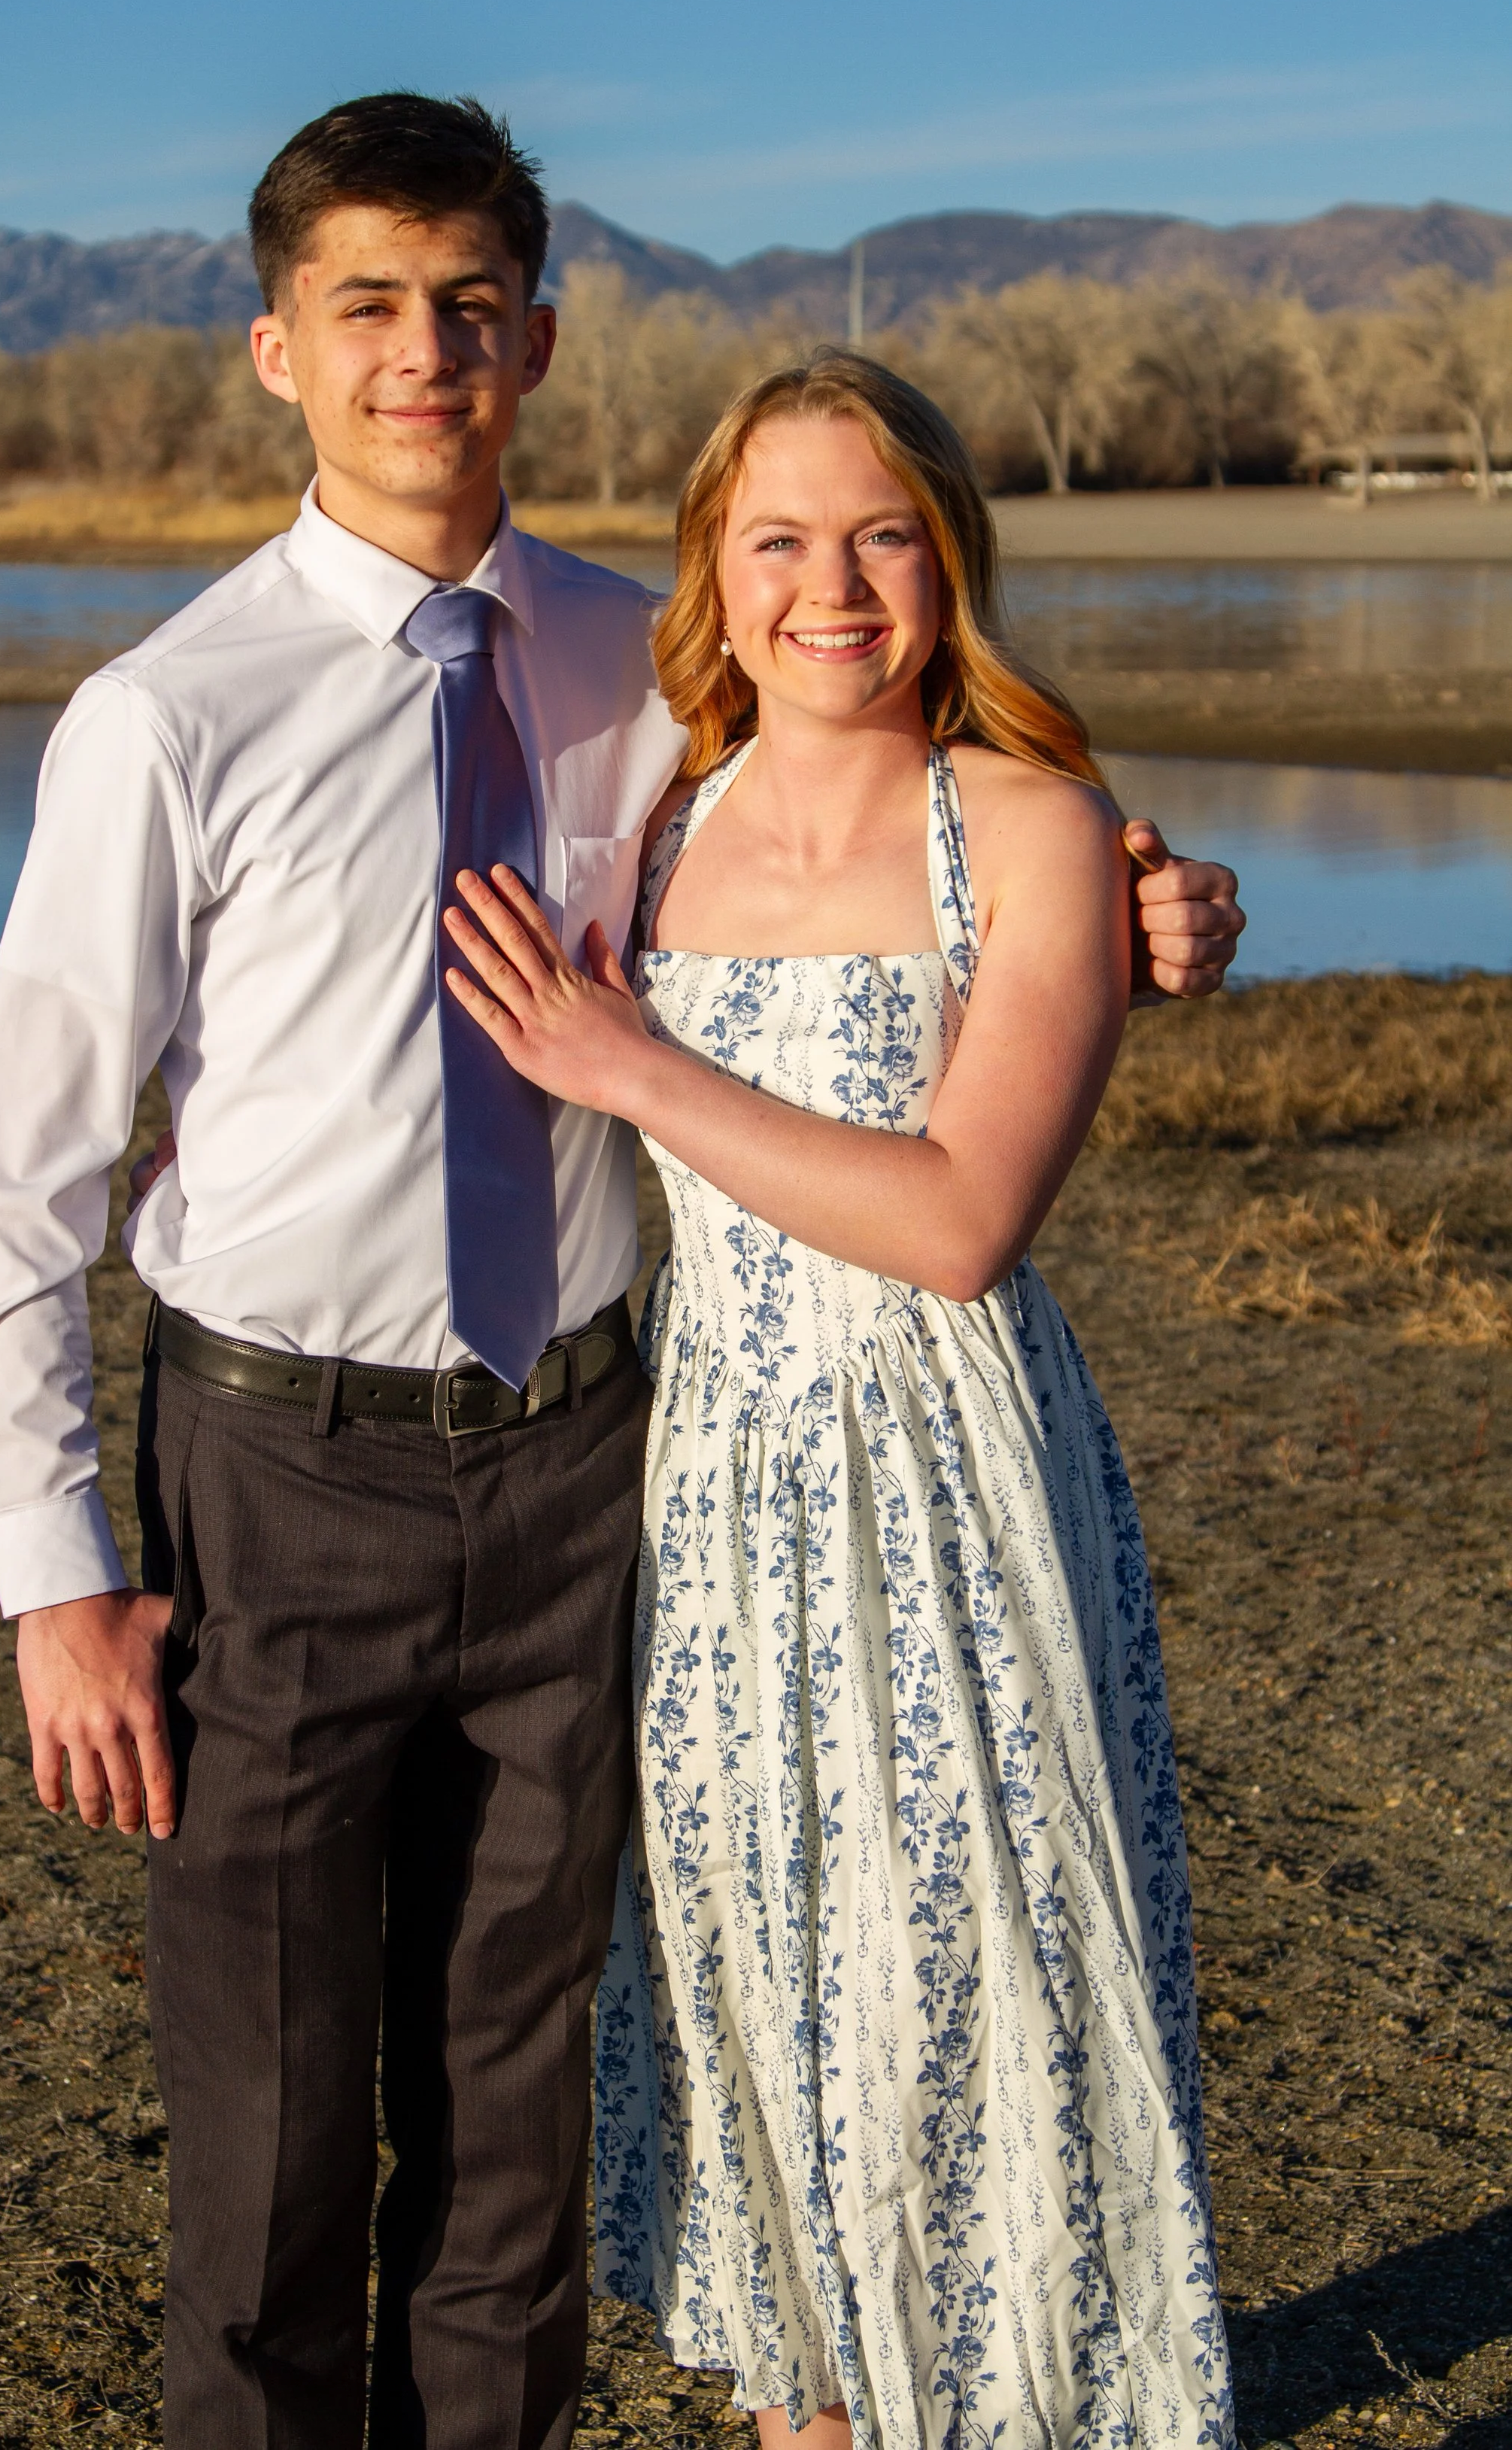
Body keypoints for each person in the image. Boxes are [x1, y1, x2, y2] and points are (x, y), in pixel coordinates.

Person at [0, 94, 1245, 2450]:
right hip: (278, 1474)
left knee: (514, 2132)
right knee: (262, 2148)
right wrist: (57, 1576)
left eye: (466, 306)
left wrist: (1146, 900)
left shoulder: (647, 681)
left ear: (537, 335)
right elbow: (18, 1185)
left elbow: (891, 807)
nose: (420, 353)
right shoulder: (164, 714)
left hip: (594, 1471)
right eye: (365, 308)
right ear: (275, 351)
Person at [438, 354, 1231, 2450]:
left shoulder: (1033, 828)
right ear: (710, 563)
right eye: (776, 536)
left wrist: (634, 1069)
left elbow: (962, 1214)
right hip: (703, 1490)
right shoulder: (660, 816)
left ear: (945, 554)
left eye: (880, 532)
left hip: (944, 1474)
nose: (832, 585)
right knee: (763, 2001)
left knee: (975, 1992)